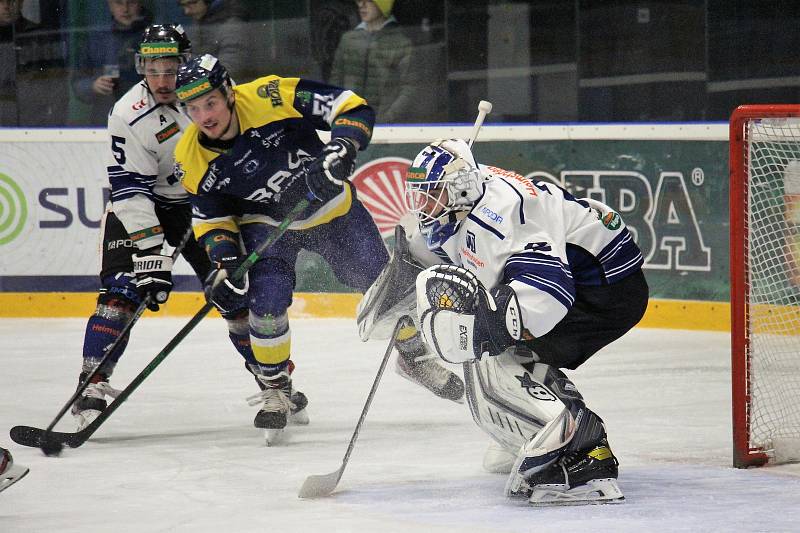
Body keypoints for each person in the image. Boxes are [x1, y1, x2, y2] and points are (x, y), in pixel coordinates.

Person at [172, 54, 463, 443]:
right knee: (266, 302)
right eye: (193, 108)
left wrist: (340, 148)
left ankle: (413, 357)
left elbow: (352, 106)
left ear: (228, 93)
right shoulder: (189, 159)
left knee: (384, 286)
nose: (204, 115)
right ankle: (277, 388)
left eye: (210, 102)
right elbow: (211, 219)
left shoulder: (270, 96)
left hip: (333, 210)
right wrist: (225, 259)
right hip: (268, 227)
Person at [69, 25, 310, 438]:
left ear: (185, 62)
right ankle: (90, 386)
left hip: (208, 205)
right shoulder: (127, 113)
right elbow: (129, 189)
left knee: (234, 297)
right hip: (145, 206)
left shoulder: (211, 95)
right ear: (140, 66)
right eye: (152, 68)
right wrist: (149, 253)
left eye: (170, 67)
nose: (162, 80)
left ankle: (275, 382)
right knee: (121, 294)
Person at [399, 138, 648, 505]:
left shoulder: (501, 220)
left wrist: (492, 327)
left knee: (493, 346)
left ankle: (583, 449)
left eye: (431, 194)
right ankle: (529, 433)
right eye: (419, 195)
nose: (424, 205)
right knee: (487, 337)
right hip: (588, 277)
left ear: (459, 189)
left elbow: (550, 291)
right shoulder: (468, 196)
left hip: (605, 290)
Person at [328, 0, 416, 124]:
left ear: (383, 5)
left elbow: (409, 88)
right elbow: (336, 80)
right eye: (359, 1)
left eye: (369, 1)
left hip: (385, 129)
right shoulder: (348, 40)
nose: (361, 5)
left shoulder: (401, 43)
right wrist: (340, 112)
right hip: (348, 123)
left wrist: (387, 119)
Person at [70, 0, 152, 125]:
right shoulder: (97, 39)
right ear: (110, 5)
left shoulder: (154, 36)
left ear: (140, 3)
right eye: (118, 3)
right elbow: (77, 82)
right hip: (106, 119)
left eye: (131, 3)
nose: (125, 9)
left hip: (147, 117)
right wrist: (93, 86)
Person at [0, 0, 67, 125]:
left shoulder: (39, 37)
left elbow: (57, 86)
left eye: (11, 1)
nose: (6, 7)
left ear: (21, 3)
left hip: (33, 123)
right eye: (1, 2)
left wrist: (54, 126)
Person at [176, 0, 250, 83]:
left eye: (192, 3)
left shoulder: (231, 26)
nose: (187, 11)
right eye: (182, 5)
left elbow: (231, 67)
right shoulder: (201, 22)